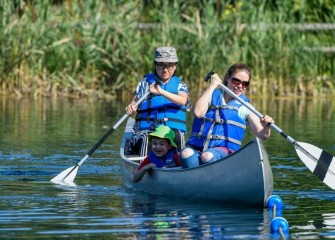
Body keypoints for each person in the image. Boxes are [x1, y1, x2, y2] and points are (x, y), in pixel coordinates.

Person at [180, 63, 275, 168]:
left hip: (224, 152)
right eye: (236, 81)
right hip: (197, 147)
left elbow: (262, 135)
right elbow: (198, 112)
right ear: (228, 78)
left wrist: (267, 127)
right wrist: (212, 86)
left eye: (245, 84)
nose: (240, 86)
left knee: (207, 156)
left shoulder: (245, 107)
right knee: (186, 153)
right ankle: (193, 179)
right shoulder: (210, 95)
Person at [125, 46, 191, 133]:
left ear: (175, 67)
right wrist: (130, 108)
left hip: (172, 132)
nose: (165, 70)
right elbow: (134, 104)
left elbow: (182, 100)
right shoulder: (145, 83)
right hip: (148, 131)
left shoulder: (180, 85)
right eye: (161, 65)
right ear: (155, 65)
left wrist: (161, 92)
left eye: (169, 66)